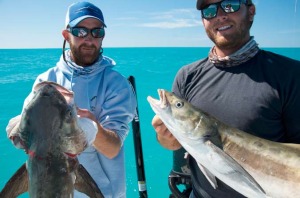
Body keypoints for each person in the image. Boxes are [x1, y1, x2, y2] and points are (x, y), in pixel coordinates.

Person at [151, 0, 300, 197]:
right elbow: (174, 144)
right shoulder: (187, 76)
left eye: (231, 5)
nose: (220, 15)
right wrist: (164, 135)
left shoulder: (291, 75)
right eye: (209, 10)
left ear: (251, 11)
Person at [7, 1, 137, 197]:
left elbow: (112, 148)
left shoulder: (117, 85)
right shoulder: (45, 81)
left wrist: (93, 129)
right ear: (66, 35)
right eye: (80, 31)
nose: (89, 39)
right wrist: (21, 133)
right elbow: (29, 139)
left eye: (97, 32)